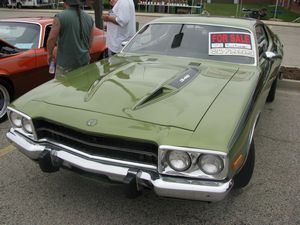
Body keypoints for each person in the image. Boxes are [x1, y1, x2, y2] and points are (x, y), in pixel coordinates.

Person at [47, 0, 94, 77]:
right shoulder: (89, 18)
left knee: (62, 88)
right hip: (84, 62)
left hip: (66, 64)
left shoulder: (60, 17)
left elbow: (51, 39)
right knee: (81, 87)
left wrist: (50, 54)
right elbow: (90, 43)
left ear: (66, 3)